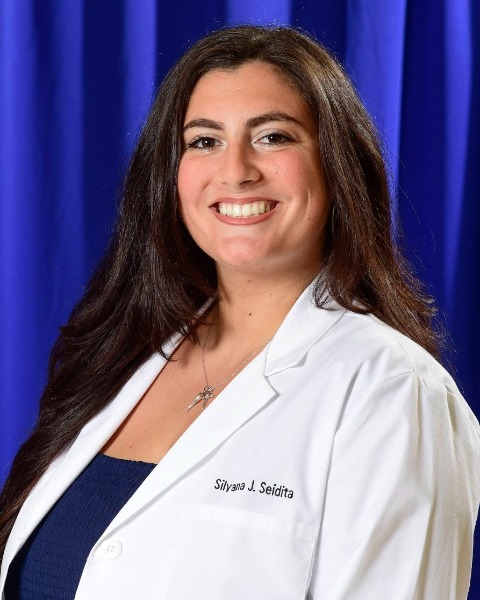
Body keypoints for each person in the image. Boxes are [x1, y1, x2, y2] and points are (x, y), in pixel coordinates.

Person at [0, 24, 479, 600]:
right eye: (204, 141)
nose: (236, 171)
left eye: (274, 137)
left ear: (336, 165)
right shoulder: (121, 356)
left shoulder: (393, 390)